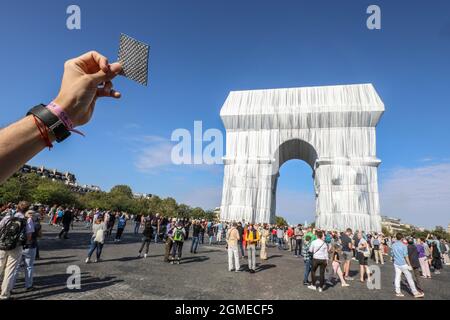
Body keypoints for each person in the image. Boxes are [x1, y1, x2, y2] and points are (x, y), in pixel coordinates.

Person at [0, 201, 34, 299]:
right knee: (10, 270)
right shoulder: (27, 220)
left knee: (0, 266)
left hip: (2, 245)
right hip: (16, 247)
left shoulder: (8, 217)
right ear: (27, 210)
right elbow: (29, 236)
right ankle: (4, 294)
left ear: (17, 208)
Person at [391, 233, 424, 298]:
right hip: (403, 263)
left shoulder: (393, 245)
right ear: (402, 238)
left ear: (396, 238)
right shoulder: (403, 246)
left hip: (396, 263)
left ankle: (398, 292)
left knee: (397, 277)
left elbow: (392, 254)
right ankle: (415, 293)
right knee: (409, 278)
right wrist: (409, 265)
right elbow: (406, 256)